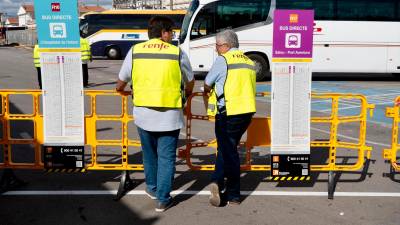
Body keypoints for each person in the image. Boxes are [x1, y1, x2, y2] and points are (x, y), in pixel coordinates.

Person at [116, 16, 194, 212]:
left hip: (143, 114)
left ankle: (152, 189)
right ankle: (163, 199)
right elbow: (190, 80)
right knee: (166, 158)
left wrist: (125, 91)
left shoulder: (135, 51)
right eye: (172, 32)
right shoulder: (177, 53)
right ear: (163, 33)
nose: (172, 36)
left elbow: (120, 83)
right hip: (169, 116)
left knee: (149, 155)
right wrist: (186, 93)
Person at [203, 29, 256, 206]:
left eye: (217, 46)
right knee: (228, 148)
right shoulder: (249, 61)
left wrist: (207, 92)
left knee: (229, 152)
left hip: (228, 113)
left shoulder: (223, 60)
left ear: (226, 46)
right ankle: (220, 184)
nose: (216, 49)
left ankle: (228, 189)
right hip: (247, 112)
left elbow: (207, 83)